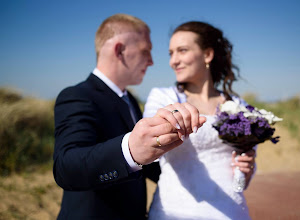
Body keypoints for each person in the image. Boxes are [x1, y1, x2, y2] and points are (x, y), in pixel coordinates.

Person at [53, 14, 205, 220]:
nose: (152, 62)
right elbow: (66, 167)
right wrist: (130, 150)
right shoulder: (78, 96)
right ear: (119, 50)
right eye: (146, 51)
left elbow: (147, 165)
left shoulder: (130, 100)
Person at [144, 21, 256, 219]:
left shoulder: (238, 106)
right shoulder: (163, 97)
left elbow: (241, 185)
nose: (173, 61)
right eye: (171, 53)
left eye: (182, 50)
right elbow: (150, 142)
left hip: (230, 212)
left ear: (207, 55)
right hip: (173, 212)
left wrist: (245, 174)